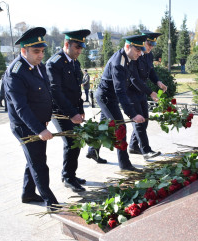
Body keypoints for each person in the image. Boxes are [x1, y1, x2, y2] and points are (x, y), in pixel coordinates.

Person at [2, 27, 58, 211]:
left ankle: (27, 193)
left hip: (39, 123)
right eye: (36, 51)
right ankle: (50, 201)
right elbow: (21, 108)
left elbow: (46, 93)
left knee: (34, 159)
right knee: (39, 163)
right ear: (23, 50)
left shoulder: (38, 66)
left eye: (42, 51)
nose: (41, 55)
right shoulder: (15, 73)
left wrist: (47, 118)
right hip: (25, 126)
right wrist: (39, 129)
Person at [86, 35, 147, 171]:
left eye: (140, 50)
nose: (140, 53)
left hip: (111, 96)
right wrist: (132, 114)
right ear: (127, 47)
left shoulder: (129, 58)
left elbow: (130, 80)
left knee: (106, 126)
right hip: (106, 98)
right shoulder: (118, 63)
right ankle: (124, 164)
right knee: (120, 128)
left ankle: (92, 150)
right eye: (137, 50)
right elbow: (120, 91)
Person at [46, 29, 90, 192]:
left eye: (81, 48)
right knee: (71, 142)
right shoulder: (54, 63)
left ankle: (70, 174)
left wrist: (80, 109)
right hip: (59, 110)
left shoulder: (75, 63)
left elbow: (76, 90)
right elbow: (55, 91)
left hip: (72, 109)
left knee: (76, 141)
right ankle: (68, 177)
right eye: (77, 47)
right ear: (67, 44)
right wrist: (72, 113)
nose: (79, 51)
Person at [128, 31, 168, 160]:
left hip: (141, 91)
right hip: (131, 91)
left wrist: (158, 81)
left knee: (144, 120)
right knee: (139, 121)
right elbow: (134, 79)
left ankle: (133, 146)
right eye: (149, 44)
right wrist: (150, 92)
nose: (151, 47)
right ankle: (146, 150)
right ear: (143, 43)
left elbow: (151, 71)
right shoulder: (135, 55)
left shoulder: (148, 56)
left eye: (153, 45)